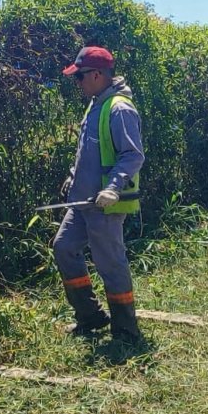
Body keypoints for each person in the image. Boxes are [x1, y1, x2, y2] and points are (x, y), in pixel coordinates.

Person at [54, 46, 145, 343]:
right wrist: (72, 177)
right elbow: (88, 151)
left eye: (79, 77)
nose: (76, 83)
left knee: (110, 264)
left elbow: (132, 155)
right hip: (81, 202)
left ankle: (126, 330)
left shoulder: (119, 108)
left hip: (105, 204)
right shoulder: (95, 103)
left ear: (96, 74)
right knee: (64, 247)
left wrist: (112, 188)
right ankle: (90, 316)